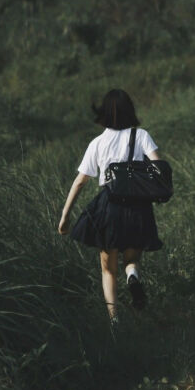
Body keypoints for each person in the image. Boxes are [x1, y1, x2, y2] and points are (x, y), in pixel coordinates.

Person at [58, 88, 163, 325]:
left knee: (108, 269)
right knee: (132, 258)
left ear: (104, 114)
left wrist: (65, 216)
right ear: (130, 111)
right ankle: (133, 275)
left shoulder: (97, 143)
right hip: (138, 205)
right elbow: (159, 166)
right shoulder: (142, 135)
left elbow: (80, 182)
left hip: (109, 206)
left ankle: (114, 322)